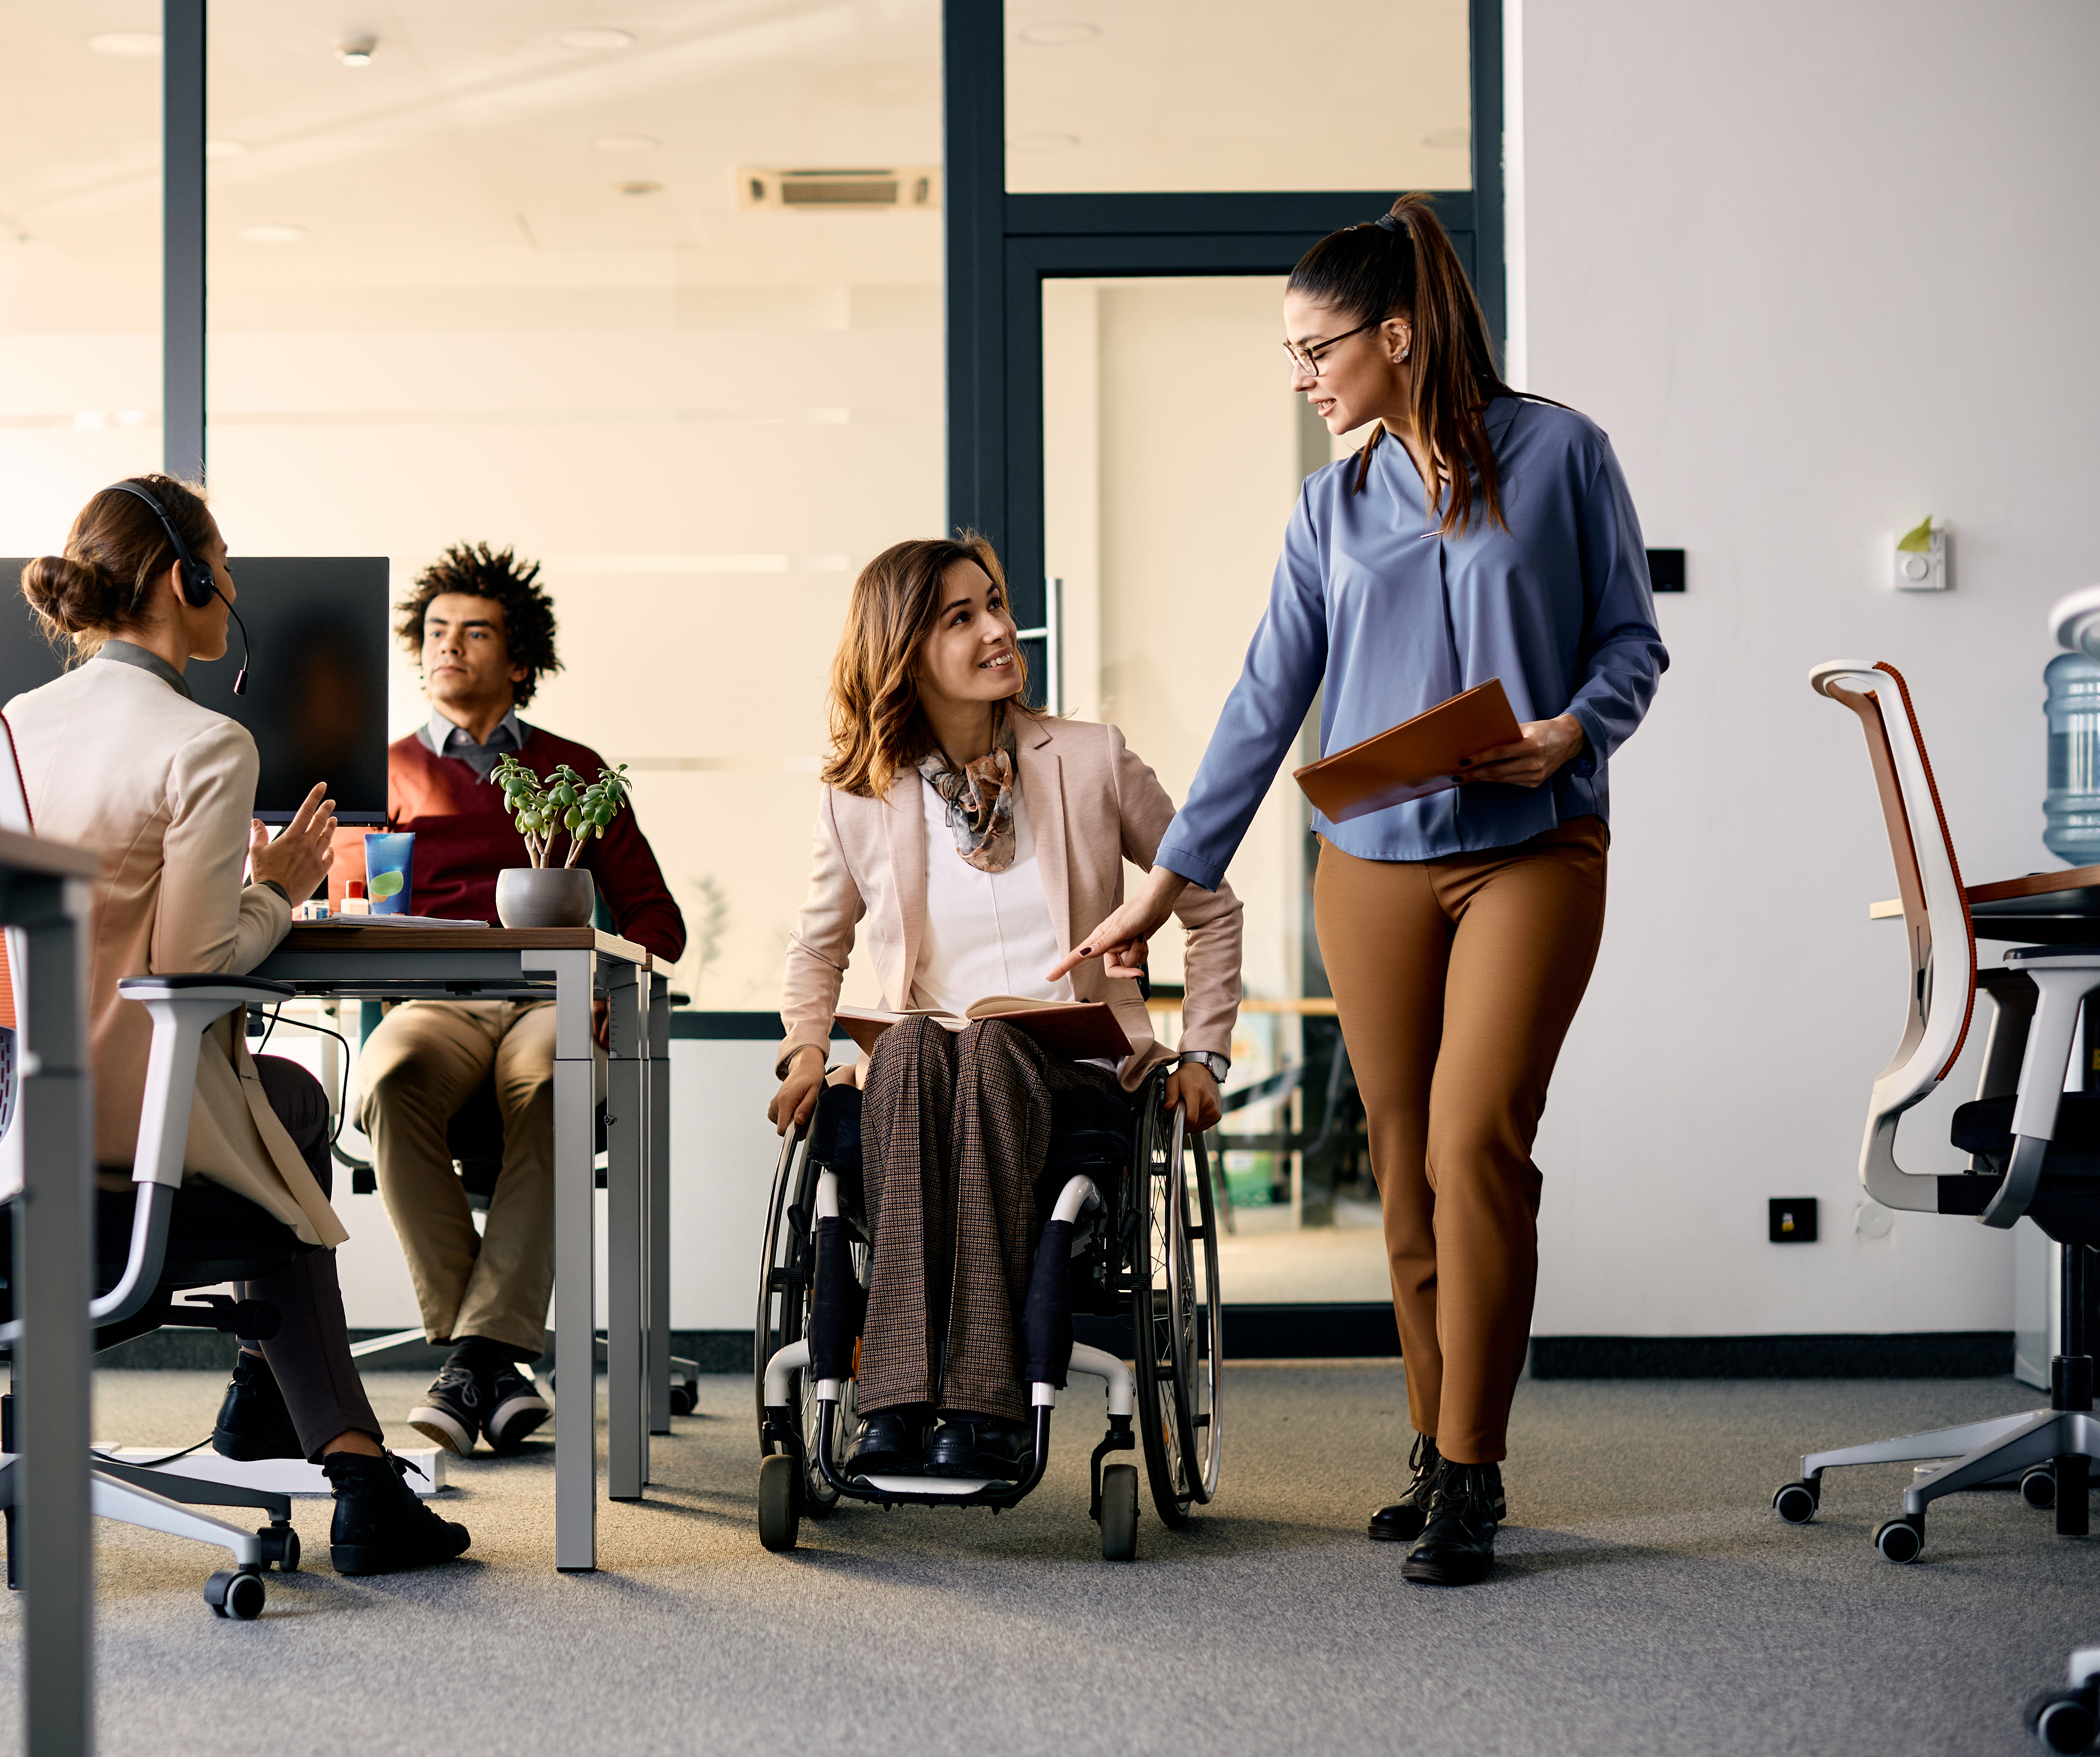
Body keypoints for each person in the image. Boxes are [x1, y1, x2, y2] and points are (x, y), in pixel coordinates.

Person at [1058, 195, 1668, 1587]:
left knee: (1476, 1144)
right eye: (1290, 351)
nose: (1302, 373)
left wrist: (1576, 727)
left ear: (1397, 334)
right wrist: (1169, 881)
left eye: (1315, 345)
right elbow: (1266, 695)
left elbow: (1633, 639)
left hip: (1535, 844)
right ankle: (1430, 1436)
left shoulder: (1565, 454)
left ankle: (1474, 1466)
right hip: (1374, 864)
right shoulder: (1329, 508)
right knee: (1400, 1163)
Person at [4, 474, 470, 1575]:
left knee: (290, 1100)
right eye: (226, 566)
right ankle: (351, 1468)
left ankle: (281, 1402)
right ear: (188, 578)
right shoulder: (206, 743)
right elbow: (193, 962)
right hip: (119, 1119)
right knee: (293, 1102)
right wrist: (285, 884)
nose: (234, 588)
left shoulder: (2, 732)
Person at [768, 534, 1240, 1481]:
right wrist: (804, 1050)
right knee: (908, 1051)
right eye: (962, 616)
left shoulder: (1092, 758)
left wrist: (1203, 1052)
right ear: (905, 652)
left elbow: (1209, 902)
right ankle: (898, 1404)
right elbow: (818, 945)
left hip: (1072, 1071)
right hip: (927, 1074)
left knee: (987, 1048)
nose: (998, 628)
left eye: (995, 602)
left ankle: (976, 1405)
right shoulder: (860, 799)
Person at [347, 543, 686, 1457]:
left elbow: (658, 917)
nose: (446, 646)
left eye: (475, 632)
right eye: (434, 632)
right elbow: (344, 903)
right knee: (392, 1078)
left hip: (551, 1001)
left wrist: (620, 986)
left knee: (556, 1081)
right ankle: (491, 1359)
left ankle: (475, 1356)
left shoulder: (573, 773)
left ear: (520, 660)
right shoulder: (375, 776)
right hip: (436, 1002)